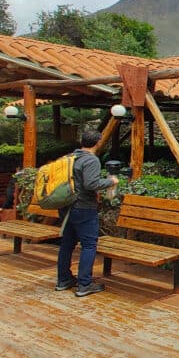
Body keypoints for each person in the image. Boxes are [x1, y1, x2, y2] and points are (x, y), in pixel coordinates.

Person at [55, 128, 118, 298]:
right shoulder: (91, 160)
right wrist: (110, 181)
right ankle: (84, 284)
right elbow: (91, 184)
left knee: (67, 244)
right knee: (89, 245)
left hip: (66, 207)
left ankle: (63, 280)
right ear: (98, 142)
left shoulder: (69, 157)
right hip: (84, 208)